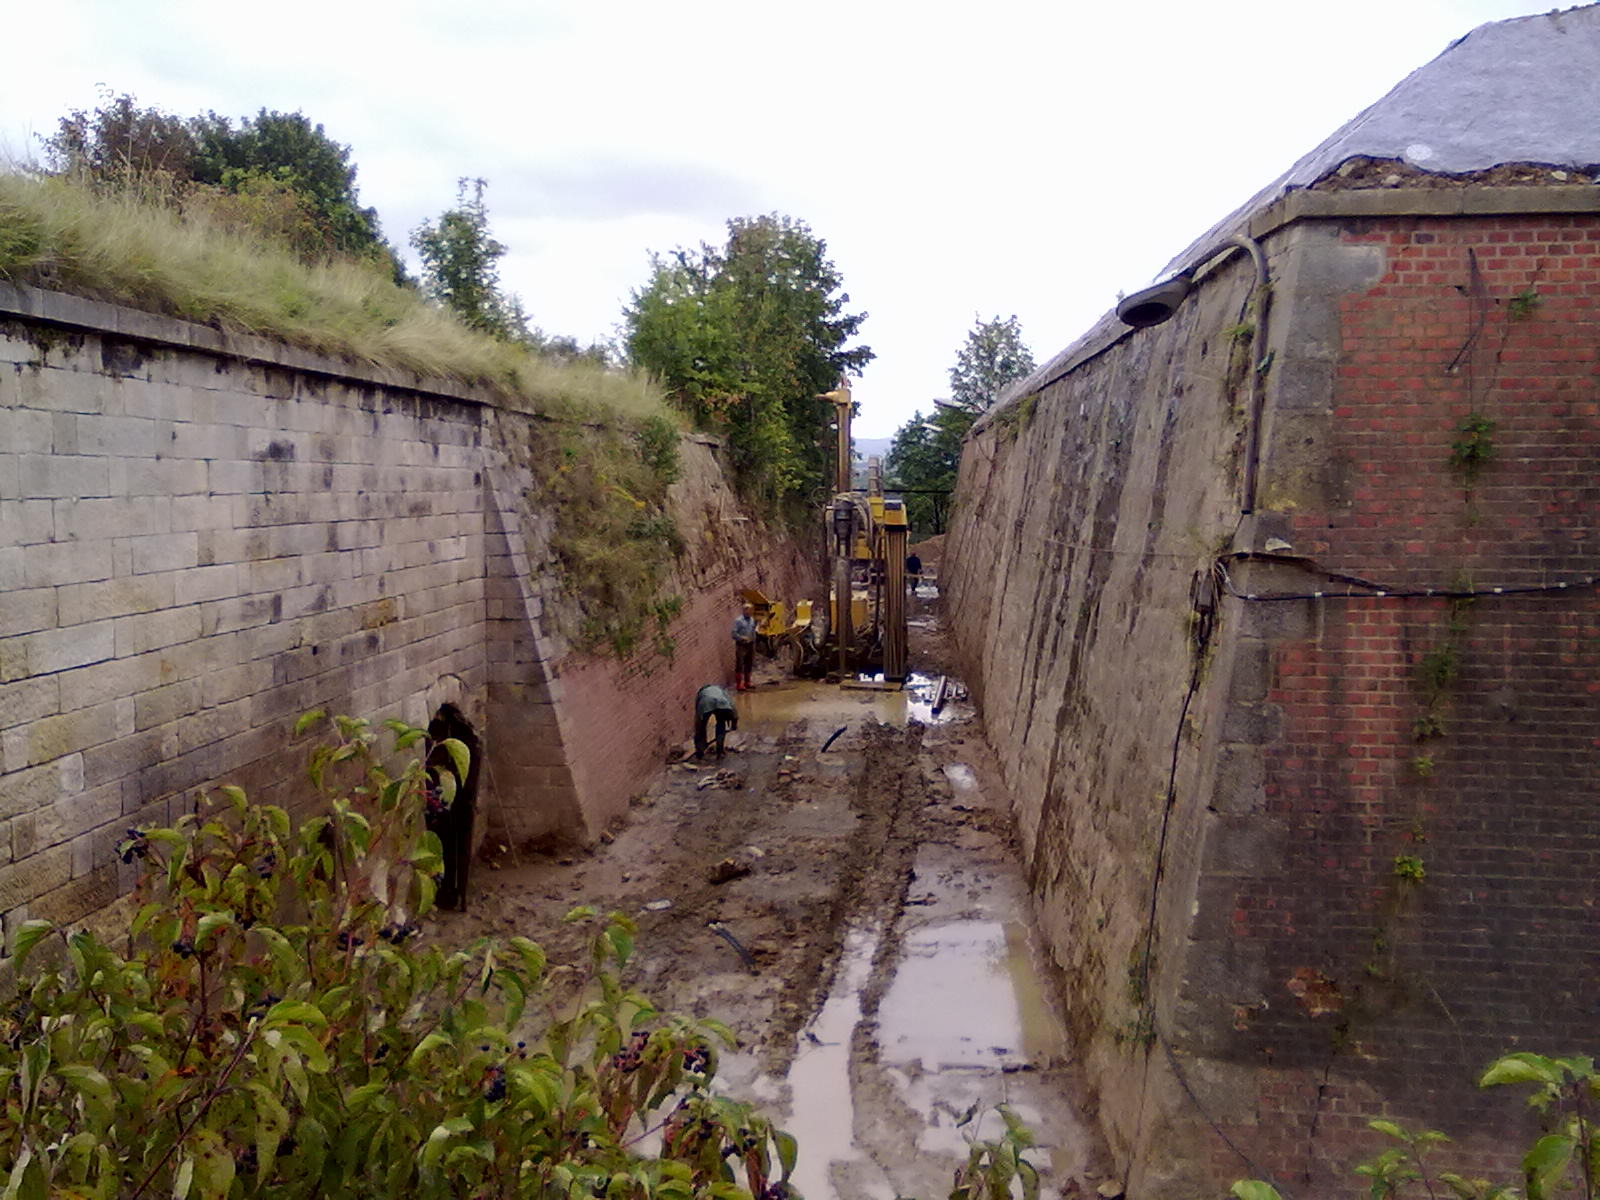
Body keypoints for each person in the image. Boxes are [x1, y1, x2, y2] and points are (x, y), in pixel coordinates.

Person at [694, 683, 739, 759]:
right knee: (721, 724)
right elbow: (732, 706)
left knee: (701, 728)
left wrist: (699, 727)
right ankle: (720, 751)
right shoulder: (721, 690)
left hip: (705, 703)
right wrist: (734, 723)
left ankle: (700, 752)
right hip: (722, 703)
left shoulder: (701, 694)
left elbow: (698, 714)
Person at [731, 601, 757, 691]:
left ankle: (747, 682)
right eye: (749, 610)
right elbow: (733, 634)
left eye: (751, 610)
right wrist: (742, 638)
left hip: (751, 644)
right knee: (740, 664)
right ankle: (739, 684)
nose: (750, 612)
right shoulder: (739, 621)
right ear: (744, 611)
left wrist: (754, 639)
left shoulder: (752, 619)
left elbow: (753, 629)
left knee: (749, 663)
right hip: (741, 645)